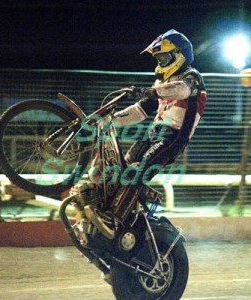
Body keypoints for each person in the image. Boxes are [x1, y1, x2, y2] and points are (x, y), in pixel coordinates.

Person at [84, 29, 207, 239]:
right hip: (152, 135)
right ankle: (102, 206)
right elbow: (139, 111)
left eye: (164, 56)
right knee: (119, 169)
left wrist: (149, 91)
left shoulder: (191, 78)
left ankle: (115, 223)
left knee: (136, 173)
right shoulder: (161, 84)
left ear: (179, 55)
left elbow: (180, 90)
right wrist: (109, 119)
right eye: (158, 57)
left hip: (172, 139)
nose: (160, 61)